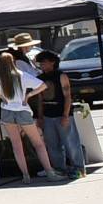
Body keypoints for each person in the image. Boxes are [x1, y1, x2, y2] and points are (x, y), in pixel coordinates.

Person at [0, 47, 48, 180]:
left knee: (17, 145)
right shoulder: (20, 75)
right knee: (38, 143)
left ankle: (25, 175)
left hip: (7, 111)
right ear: (13, 62)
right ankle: (49, 171)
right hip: (22, 110)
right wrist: (28, 95)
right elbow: (43, 85)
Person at [31, 48, 84, 179]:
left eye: (44, 62)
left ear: (52, 62)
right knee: (52, 144)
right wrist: (40, 117)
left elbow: (67, 96)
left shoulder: (61, 76)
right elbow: (40, 99)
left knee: (70, 142)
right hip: (48, 115)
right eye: (40, 63)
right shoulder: (40, 78)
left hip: (61, 113)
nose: (42, 65)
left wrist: (66, 115)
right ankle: (60, 168)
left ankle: (79, 168)